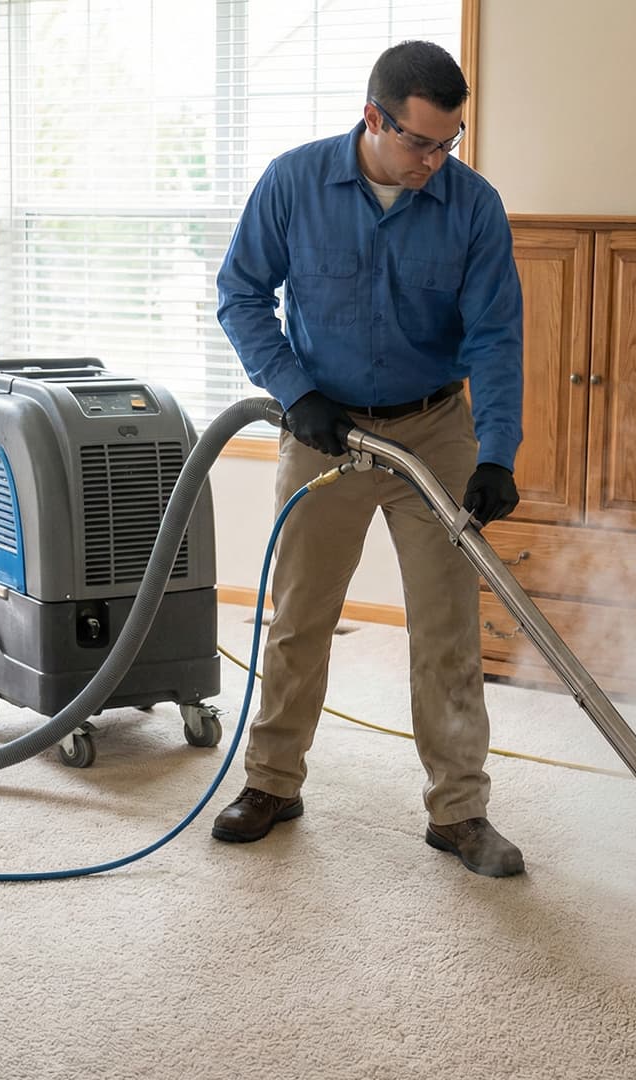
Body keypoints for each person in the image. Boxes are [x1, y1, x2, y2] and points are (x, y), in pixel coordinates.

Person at [212, 40, 526, 877]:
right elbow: (240, 294)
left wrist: (496, 451)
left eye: (448, 143)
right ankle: (273, 782)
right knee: (300, 618)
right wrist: (292, 387)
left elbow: (496, 336)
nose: (434, 161)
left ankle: (459, 811)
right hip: (327, 430)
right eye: (420, 142)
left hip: (433, 430)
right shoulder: (295, 183)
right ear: (373, 118)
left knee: (448, 629)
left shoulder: (472, 206)